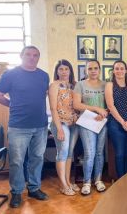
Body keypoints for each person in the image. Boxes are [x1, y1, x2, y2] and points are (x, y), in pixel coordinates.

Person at [0, 46, 49, 208]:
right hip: (18, 126)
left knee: (37, 158)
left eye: (36, 55)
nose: (32, 57)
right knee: (17, 161)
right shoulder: (10, 74)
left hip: (41, 125)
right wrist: (11, 104)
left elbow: (44, 95)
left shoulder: (43, 76)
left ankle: (34, 188)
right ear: (21, 56)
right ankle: (17, 192)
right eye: (28, 54)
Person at [73, 60, 108, 195]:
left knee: (100, 152)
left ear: (99, 70)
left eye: (96, 68)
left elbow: (110, 104)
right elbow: (77, 105)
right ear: (86, 71)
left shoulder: (106, 85)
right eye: (90, 68)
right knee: (90, 152)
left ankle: (98, 180)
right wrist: (96, 108)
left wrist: (104, 112)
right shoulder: (80, 85)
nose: (93, 71)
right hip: (87, 122)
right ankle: (86, 182)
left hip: (102, 122)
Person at [48, 59, 79, 196]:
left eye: (66, 69)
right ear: (57, 71)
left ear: (70, 71)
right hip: (60, 123)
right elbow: (53, 108)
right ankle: (63, 184)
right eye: (61, 69)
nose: (64, 72)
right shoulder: (54, 85)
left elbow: (77, 105)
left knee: (70, 154)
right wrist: (59, 128)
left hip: (74, 123)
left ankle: (67, 181)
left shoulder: (74, 85)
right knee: (63, 152)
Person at [105, 60, 127, 178]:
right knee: (119, 153)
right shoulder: (109, 85)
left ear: (126, 70)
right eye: (117, 68)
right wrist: (122, 122)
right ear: (113, 71)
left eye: (121, 68)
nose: (119, 71)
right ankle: (121, 181)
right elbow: (110, 106)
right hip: (115, 124)